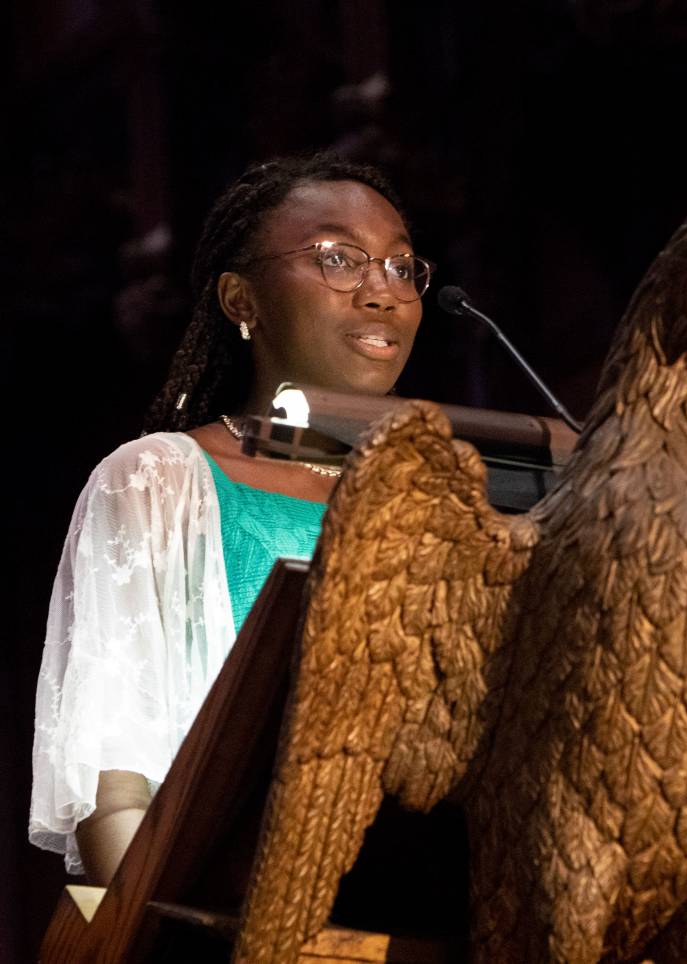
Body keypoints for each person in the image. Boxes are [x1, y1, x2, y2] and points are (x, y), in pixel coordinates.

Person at [29, 152, 431, 885]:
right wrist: (162, 928)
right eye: (338, 259)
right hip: (232, 902)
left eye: (402, 268)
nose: (383, 292)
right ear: (242, 299)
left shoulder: (451, 497)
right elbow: (115, 789)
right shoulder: (158, 481)